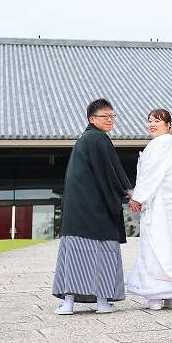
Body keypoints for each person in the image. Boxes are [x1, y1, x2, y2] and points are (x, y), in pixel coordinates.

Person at [53, 99, 132, 314]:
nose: (110, 120)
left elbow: (105, 171)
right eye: (105, 116)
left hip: (76, 209)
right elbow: (111, 172)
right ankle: (102, 302)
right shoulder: (98, 138)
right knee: (102, 251)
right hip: (96, 208)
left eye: (112, 116)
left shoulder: (84, 139)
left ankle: (68, 303)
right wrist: (128, 192)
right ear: (91, 119)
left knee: (74, 253)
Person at [126, 109, 172, 310]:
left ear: (169, 125)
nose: (152, 124)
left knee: (155, 247)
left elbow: (151, 178)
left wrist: (138, 198)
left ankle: (155, 295)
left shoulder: (156, 149)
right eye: (149, 120)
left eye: (157, 121)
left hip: (158, 208)